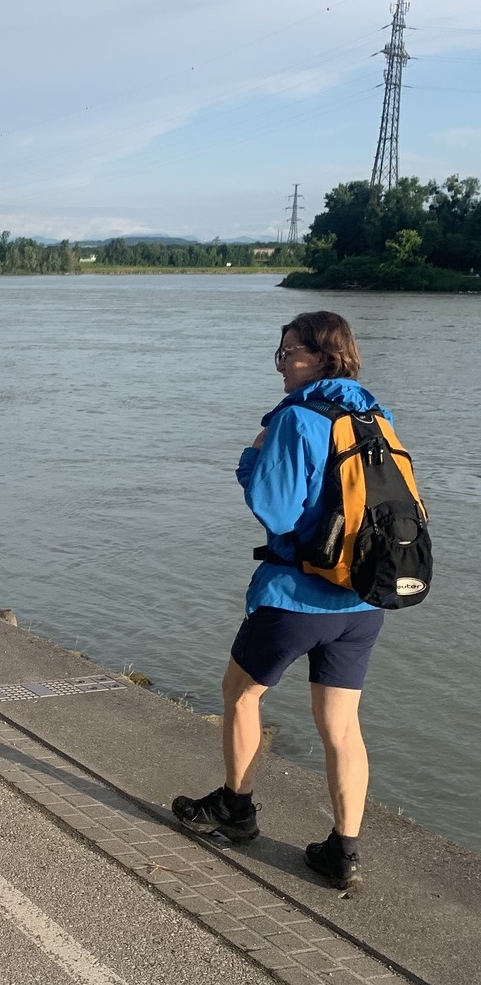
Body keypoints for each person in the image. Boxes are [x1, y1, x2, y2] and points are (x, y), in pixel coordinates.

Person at [172, 310, 391, 895]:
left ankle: (236, 809)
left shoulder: (298, 418)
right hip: (362, 600)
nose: (282, 364)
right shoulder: (374, 416)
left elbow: (275, 509)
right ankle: (343, 851)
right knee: (341, 724)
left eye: (290, 352)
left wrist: (252, 457)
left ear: (322, 357)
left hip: (297, 595)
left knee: (241, 692)